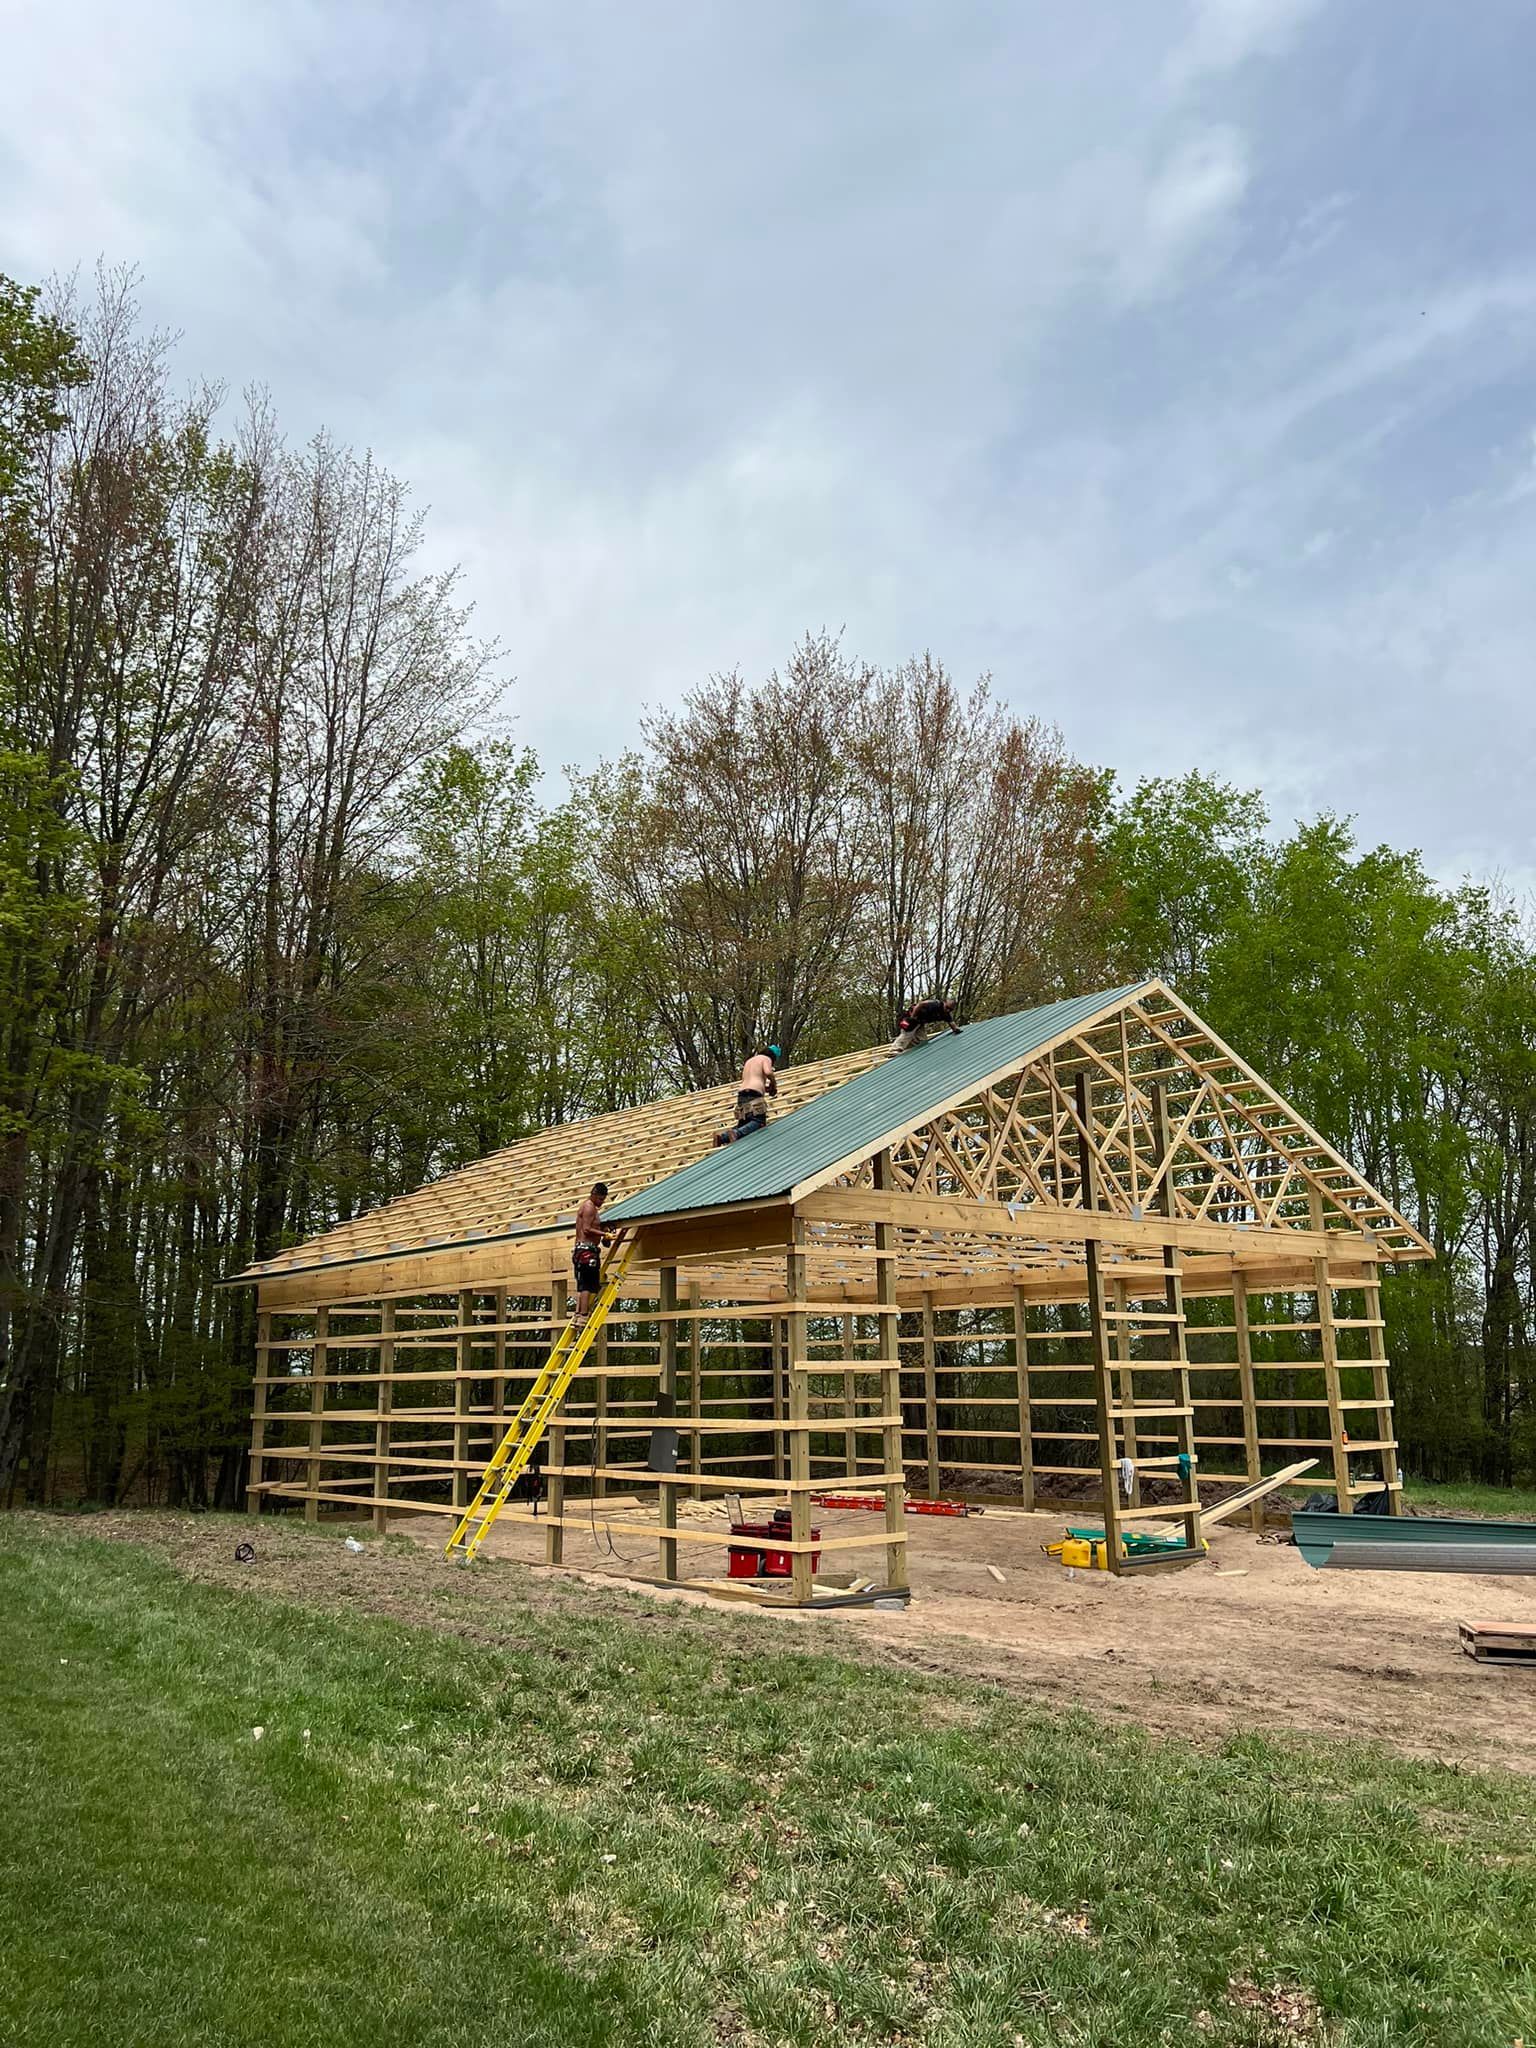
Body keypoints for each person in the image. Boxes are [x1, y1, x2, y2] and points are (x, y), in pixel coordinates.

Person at [713, 1043, 781, 1146]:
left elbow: (751, 1080)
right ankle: (736, 1133)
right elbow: (768, 1072)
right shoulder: (766, 1059)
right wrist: (773, 1084)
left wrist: (765, 1087)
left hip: (742, 1094)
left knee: (744, 1123)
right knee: (759, 1122)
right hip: (754, 1094)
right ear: (773, 1056)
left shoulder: (749, 1061)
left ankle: (722, 1138)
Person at [572, 1182, 616, 1318]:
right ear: (594, 1195)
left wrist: (603, 1230)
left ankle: (579, 1313)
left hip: (581, 1251)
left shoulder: (589, 1207)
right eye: (601, 1199)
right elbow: (586, 1229)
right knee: (588, 1285)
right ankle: (584, 1314)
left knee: (583, 1284)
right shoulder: (589, 1208)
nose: (602, 1202)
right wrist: (605, 1235)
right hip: (587, 1252)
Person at [891, 995, 962, 1053]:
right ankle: (895, 1049)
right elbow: (920, 1004)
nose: (948, 1010)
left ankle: (908, 1049)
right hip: (913, 1017)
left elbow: (952, 1024)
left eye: (950, 1009)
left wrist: (956, 1030)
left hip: (920, 1022)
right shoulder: (935, 1004)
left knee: (922, 1041)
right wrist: (912, 1018)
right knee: (908, 1034)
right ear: (944, 1003)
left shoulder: (946, 1014)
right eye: (947, 1007)